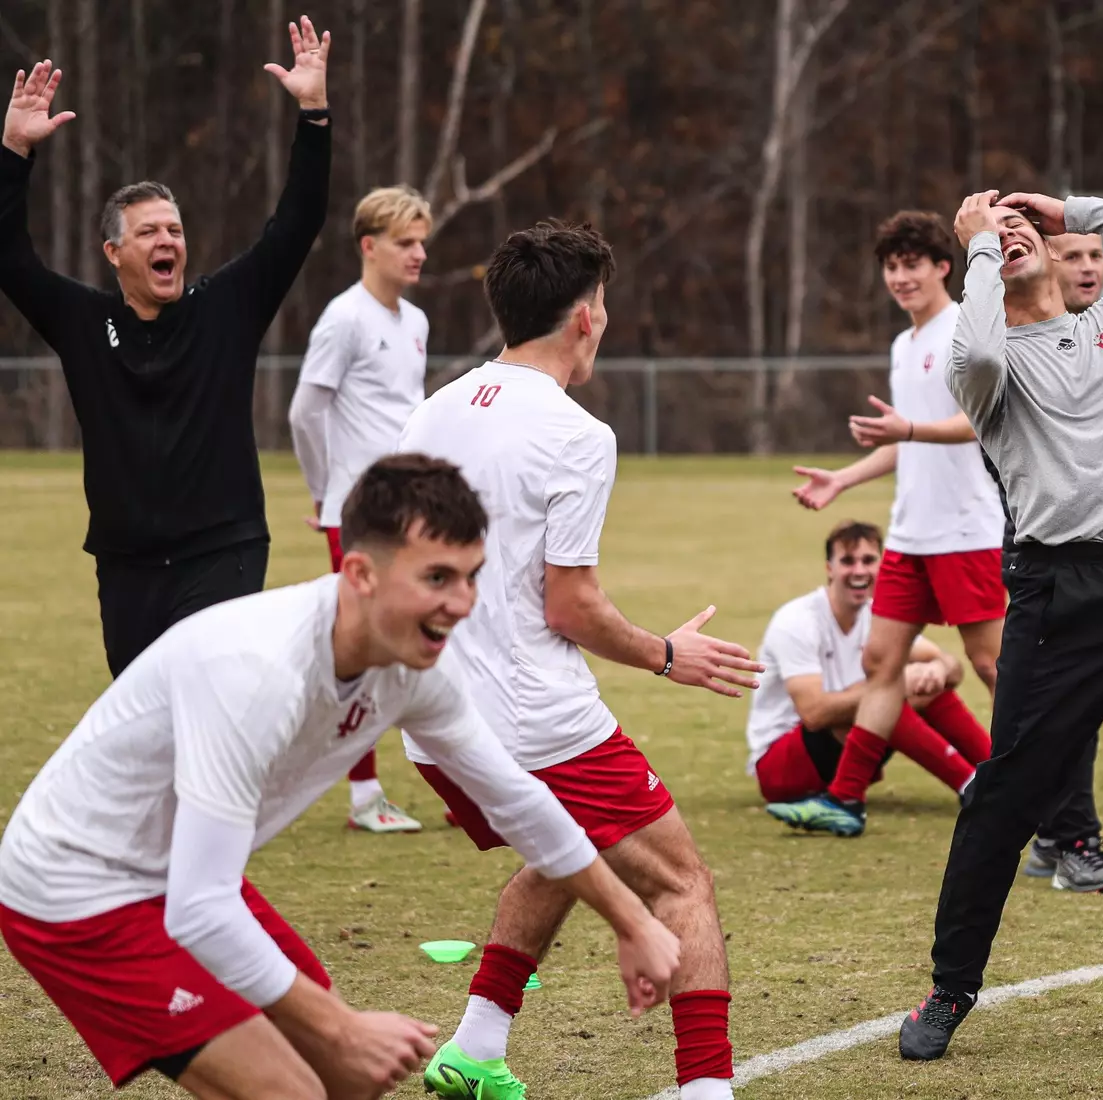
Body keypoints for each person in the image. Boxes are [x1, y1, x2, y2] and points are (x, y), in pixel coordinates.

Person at [0, 454, 681, 1099]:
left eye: (473, 575)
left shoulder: (415, 667)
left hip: (177, 877)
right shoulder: (255, 672)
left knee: (339, 1074)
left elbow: (519, 802)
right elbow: (200, 909)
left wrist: (633, 924)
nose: (464, 602)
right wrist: (342, 1024)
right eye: (438, 578)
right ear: (359, 573)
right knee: (297, 1084)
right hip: (75, 889)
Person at [397, 219, 761, 1100]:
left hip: (432, 722)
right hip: (535, 718)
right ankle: (707, 1089)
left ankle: (477, 1046)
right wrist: (669, 653)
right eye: (604, 301)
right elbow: (573, 606)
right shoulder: (577, 434)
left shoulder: (430, 410)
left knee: (560, 850)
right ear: (585, 317)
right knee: (683, 885)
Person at [898, 189, 1103, 1061]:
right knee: (1007, 799)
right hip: (1057, 593)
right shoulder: (989, 364)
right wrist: (974, 249)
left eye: (1020, 232)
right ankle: (951, 987)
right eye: (991, 243)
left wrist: (1075, 206)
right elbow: (970, 344)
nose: (1009, 242)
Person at [0, 24, 332, 677]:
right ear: (114, 253)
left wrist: (314, 115)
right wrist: (13, 151)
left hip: (223, 550)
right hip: (126, 565)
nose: (167, 240)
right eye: (149, 231)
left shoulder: (226, 308)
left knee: (209, 704)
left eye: (174, 230)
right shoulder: (81, 321)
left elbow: (298, 221)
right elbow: (8, 257)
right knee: (144, 730)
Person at [776, 211, 1006, 838]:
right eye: (892, 266)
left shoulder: (965, 329)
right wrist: (842, 480)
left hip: (967, 532)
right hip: (910, 536)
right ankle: (845, 800)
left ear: (942, 267)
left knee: (993, 668)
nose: (901, 277)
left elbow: (979, 421)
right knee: (882, 662)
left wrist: (907, 430)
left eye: (913, 264)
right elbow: (905, 439)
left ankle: (1044, 789)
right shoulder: (904, 346)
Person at [289, 185, 432, 834]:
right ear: (369, 245)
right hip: (357, 513)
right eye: (406, 242)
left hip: (410, 508)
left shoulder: (416, 322)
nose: (419, 253)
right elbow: (305, 410)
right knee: (361, 648)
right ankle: (364, 796)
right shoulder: (343, 319)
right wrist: (326, 492)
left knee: (434, 639)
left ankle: (461, 787)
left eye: (423, 241)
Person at [1012, 230, 1103, 894]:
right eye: (1072, 255)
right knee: (1057, 700)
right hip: (1047, 545)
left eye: (1095, 256)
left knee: (1071, 697)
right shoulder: (1010, 332)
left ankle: (1057, 836)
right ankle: (1069, 838)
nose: (1088, 268)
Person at [751, 519, 994, 816]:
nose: (859, 571)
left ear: (882, 566)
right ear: (829, 568)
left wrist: (938, 671)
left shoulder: (875, 617)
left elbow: (952, 669)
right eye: (847, 561)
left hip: (843, 752)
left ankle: (999, 772)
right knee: (885, 693)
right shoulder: (798, 621)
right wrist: (899, 685)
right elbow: (813, 713)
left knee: (917, 688)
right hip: (781, 767)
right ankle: (970, 784)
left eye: (868, 560)